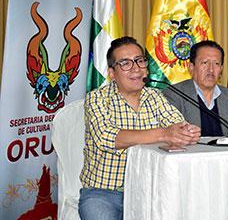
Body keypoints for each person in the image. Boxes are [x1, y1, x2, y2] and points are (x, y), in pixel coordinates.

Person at [78, 37, 200, 220]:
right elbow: (107, 138)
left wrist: (186, 133)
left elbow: (177, 124)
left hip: (149, 190)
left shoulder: (155, 97)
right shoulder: (97, 99)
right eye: (125, 63)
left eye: (140, 60)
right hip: (103, 193)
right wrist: (165, 134)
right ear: (112, 73)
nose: (135, 68)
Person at [163, 40, 228, 137]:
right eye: (205, 63)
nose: (211, 69)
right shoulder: (174, 95)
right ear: (191, 67)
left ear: (221, 69)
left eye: (216, 64)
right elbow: (173, 136)